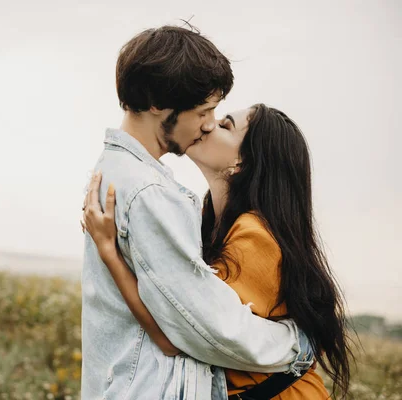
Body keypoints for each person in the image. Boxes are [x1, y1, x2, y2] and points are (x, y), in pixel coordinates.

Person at [80, 24, 315, 400]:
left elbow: (189, 325)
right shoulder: (150, 192)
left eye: (220, 118)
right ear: (158, 103)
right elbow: (202, 328)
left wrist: (112, 256)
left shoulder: (120, 174)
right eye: (206, 111)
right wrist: (297, 346)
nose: (208, 124)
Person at [82, 104, 352, 398]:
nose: (209, 125)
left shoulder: (255, 235)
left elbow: (179, 333)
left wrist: (110, 252)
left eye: (225, 125)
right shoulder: (206, 219)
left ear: (243, 162)